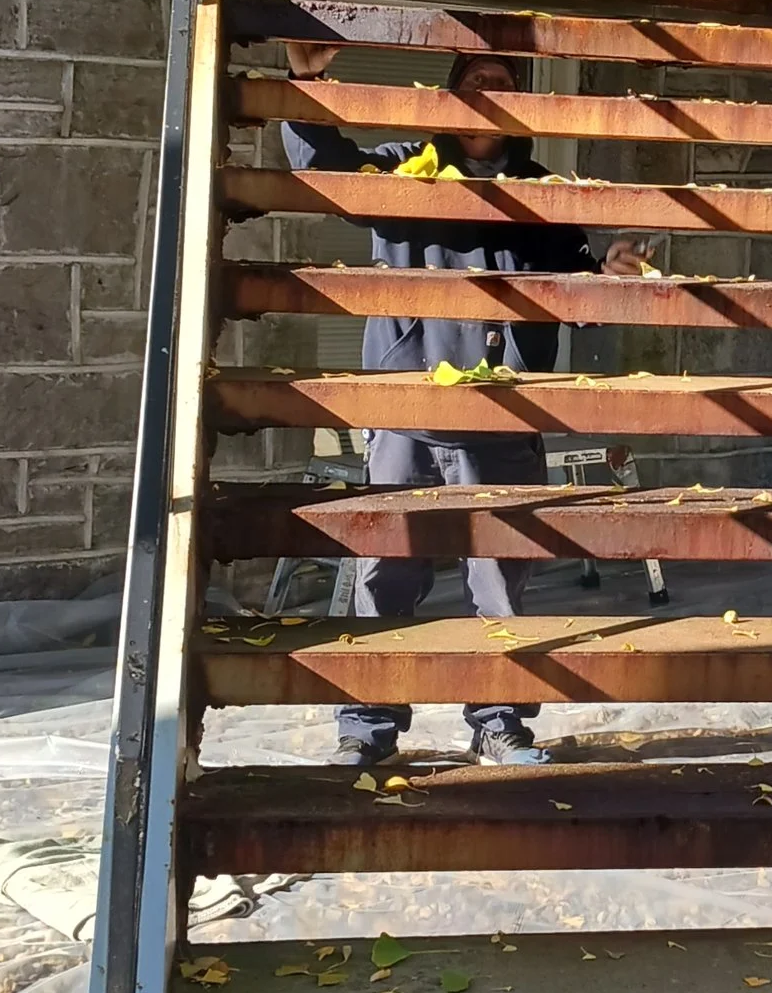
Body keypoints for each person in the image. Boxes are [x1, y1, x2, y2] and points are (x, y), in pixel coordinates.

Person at [275, 43, 651, 770]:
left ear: (518, 107)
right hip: (406, 412)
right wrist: (306, 80)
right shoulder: (406, 167)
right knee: (385, 576)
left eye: (502, 81)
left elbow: (578, 296)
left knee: (501, 582)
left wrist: (611, 276)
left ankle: (499, 722)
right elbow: (326, 168)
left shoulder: (542, 196)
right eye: (475, 79)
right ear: (449, 97)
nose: (488, 89)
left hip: (501, 420)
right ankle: (367, 728)